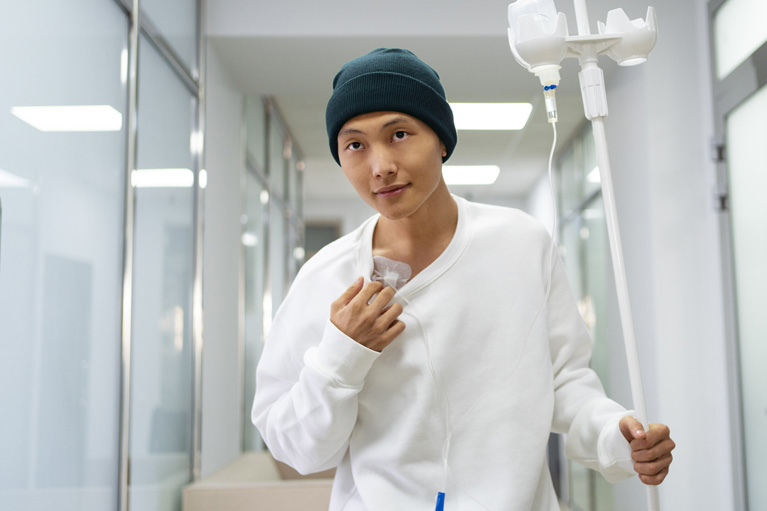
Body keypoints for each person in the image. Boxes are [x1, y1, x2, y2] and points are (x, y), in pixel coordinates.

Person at [252, 48, 675, 511]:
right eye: (355, 145)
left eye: (399, 134)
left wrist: (616, 436)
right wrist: (342, 354)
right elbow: (296, 448)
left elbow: (564, 382)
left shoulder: (520, 244)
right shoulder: (325, 279)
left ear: (442, 139)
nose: (380, 165)